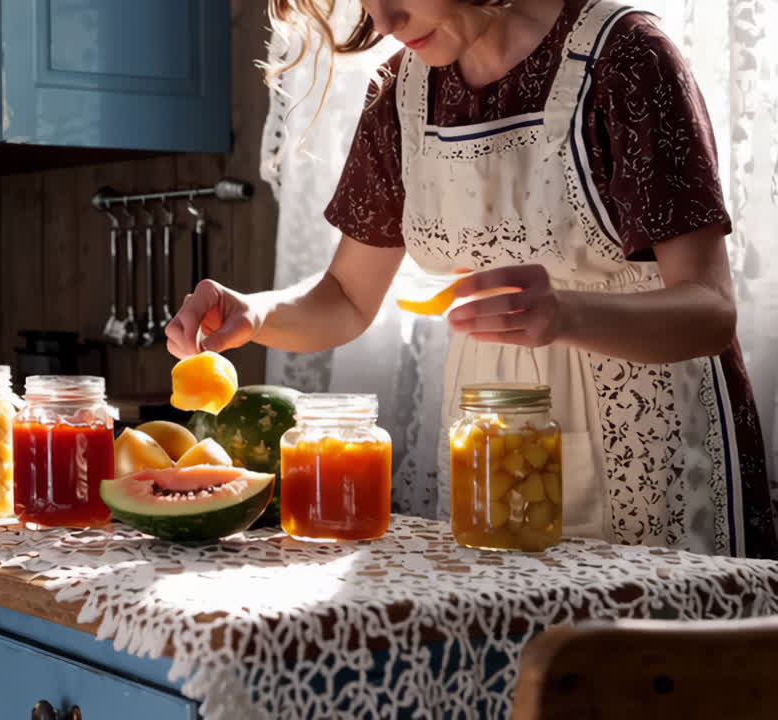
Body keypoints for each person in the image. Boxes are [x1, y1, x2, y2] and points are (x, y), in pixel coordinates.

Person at [166, 0, 778, 559]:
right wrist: (255, 313)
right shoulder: (401, 93)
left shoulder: (626, 57)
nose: (384, 22)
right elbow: (347, 297)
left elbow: (710, 310)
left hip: (653, 456)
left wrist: (566, 315)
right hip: (493, 459)